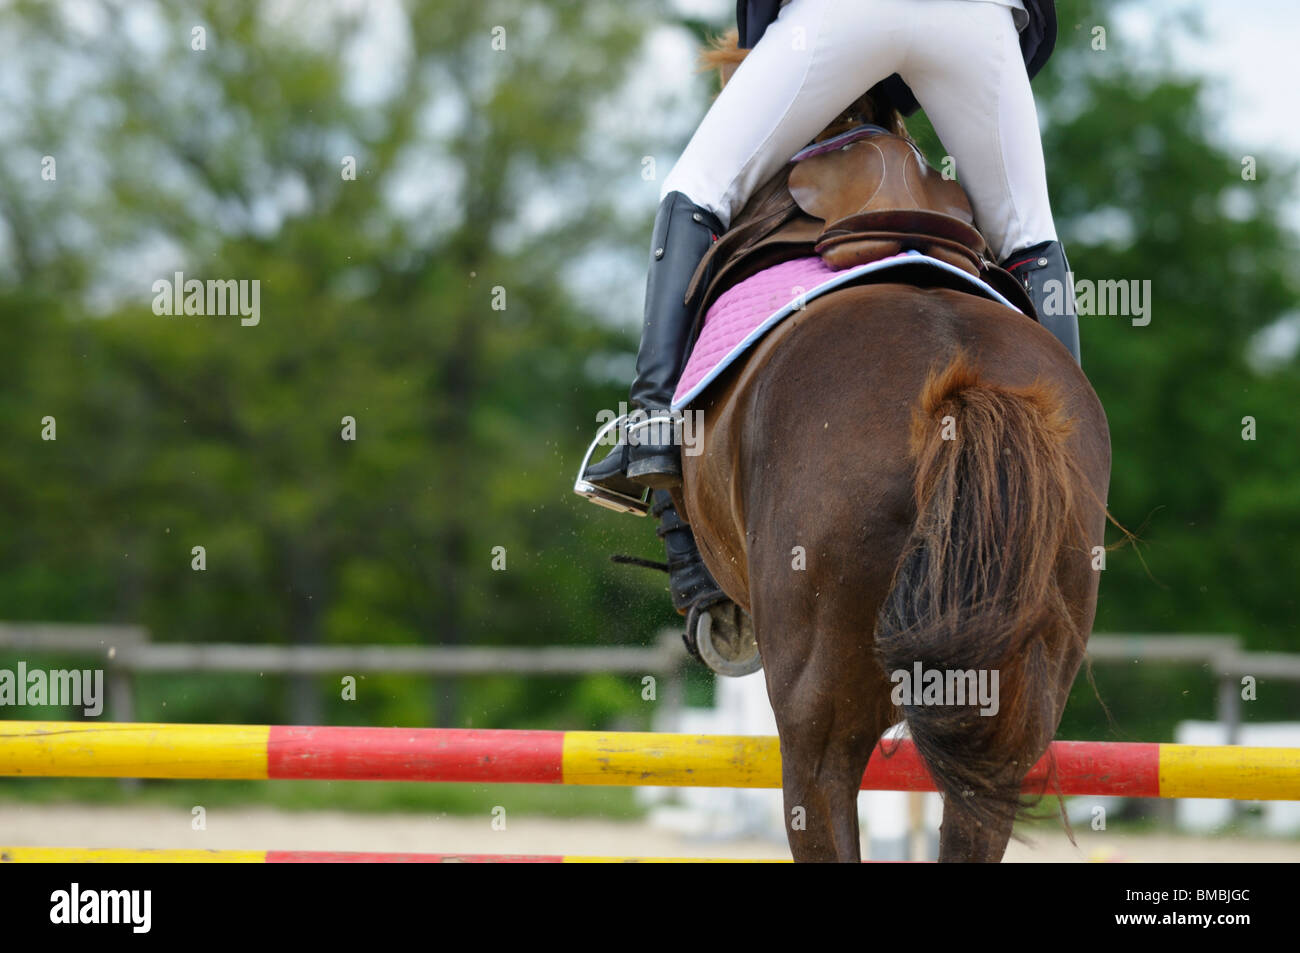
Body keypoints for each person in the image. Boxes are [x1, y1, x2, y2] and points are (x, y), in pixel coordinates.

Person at [581, 0, 1076, 501]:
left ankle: (655, 423)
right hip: (977, 16)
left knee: (698, 187)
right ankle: (1071, 454)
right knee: (1029, 238)